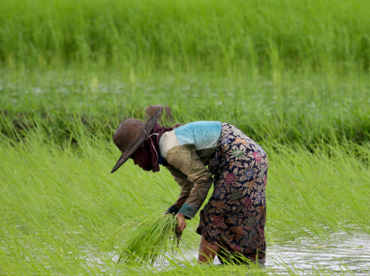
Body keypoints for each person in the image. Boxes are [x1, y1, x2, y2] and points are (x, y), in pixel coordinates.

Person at [111, 109, 268, 264]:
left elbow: (203, 180)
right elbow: (188, 188)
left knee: (213, 217)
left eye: (133, 156)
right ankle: (251, 265)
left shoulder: (170, 149)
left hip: (240, 158)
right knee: (244, 216)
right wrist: (172, 212)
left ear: (143, 147)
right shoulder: (165, 149)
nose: (136, 162)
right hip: (255, 156)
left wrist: (183, 215)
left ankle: (202, 272)